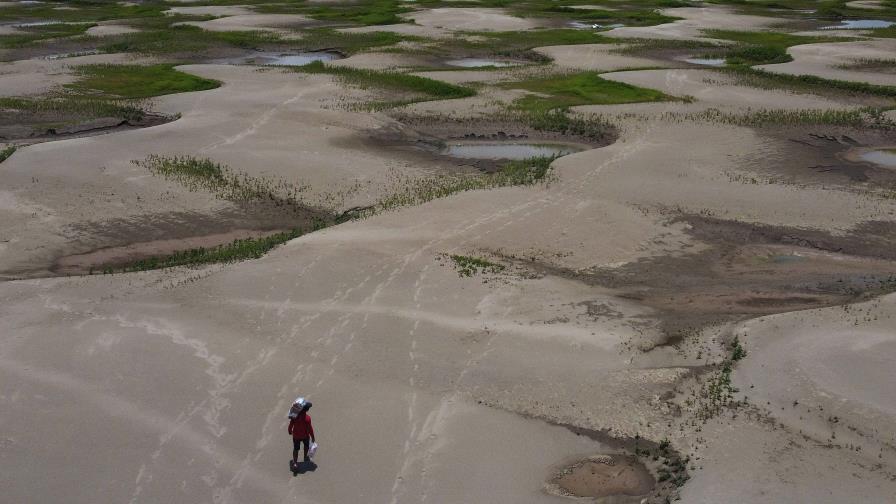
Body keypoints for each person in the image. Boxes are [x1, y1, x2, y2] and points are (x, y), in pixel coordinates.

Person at [288, 399, 315, 466]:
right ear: (307, 410)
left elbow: (290, 425)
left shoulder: (294, 416)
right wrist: (312, 437)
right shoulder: (307, 418)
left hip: (296, 436)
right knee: (306, 446)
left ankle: (295, 463)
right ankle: (305, 457)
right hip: (305, 436)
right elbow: (310, 429)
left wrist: (290, 431)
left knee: (296, 449)